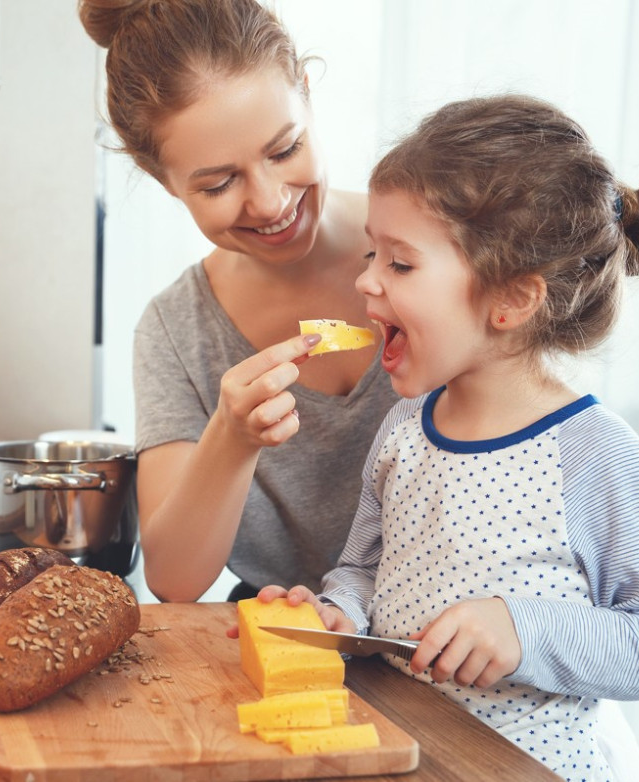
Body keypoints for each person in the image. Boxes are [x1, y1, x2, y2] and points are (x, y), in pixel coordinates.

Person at [262, 95, 639, 781]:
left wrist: (524, 630)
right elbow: (362, 571)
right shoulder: (405, 428)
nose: (364, 281)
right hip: (405, 756)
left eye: (400, 265)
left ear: (512, 300)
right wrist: (334, 617)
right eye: (371, 255)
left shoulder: (596, 457)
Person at [78, 0, 399, 603]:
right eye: (219, 184)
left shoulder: (441, 253)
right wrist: (232, 435)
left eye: (284, 150)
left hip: (468, 651)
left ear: (305, 92)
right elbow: (174, 579)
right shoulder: (175, 331)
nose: (272, 202)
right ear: (163, 180)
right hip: (288, 645)